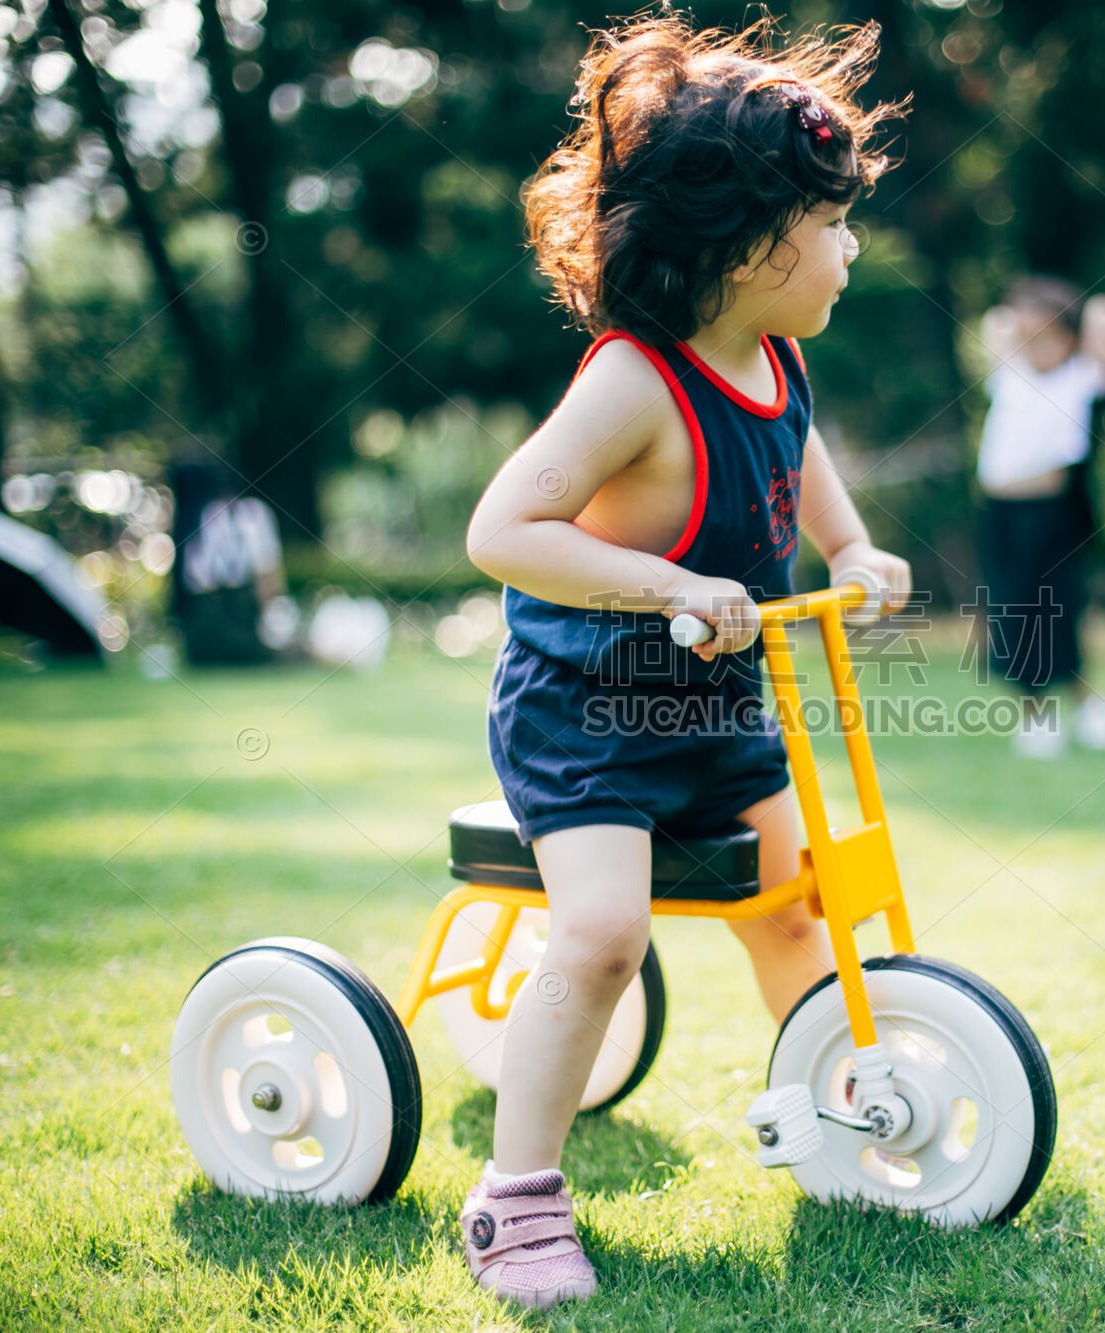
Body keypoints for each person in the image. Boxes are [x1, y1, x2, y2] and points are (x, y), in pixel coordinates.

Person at [458, 13, 910, 1311]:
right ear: (748, 242)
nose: (849, 247)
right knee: (601, 933)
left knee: (796, 906)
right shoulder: (631, 381)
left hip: (720, 706)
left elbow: (800, 461)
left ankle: (842, 1114)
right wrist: (661, 584)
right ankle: (519, 1196)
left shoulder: (773, 356)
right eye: (832, 222)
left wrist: (852, 547)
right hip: (587, 720)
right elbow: (503, 529)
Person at [973, 276, 1105, 758]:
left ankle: (1088, 705)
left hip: (1051, 516)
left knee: (1057, 610)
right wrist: (1024, 319)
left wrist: (1074, 323)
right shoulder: (1009, 371)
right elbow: (994, 323)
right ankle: (1035, 716)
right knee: (1012, 611)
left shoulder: (1081, 375)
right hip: (1001, 515)